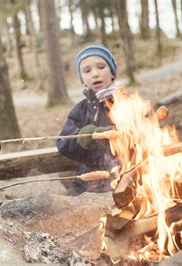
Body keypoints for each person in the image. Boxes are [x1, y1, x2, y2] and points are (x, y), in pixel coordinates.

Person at [56, 44, 120, 196]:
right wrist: (84, 137)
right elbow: (63, 143)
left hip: (125, 175)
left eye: (101, 67)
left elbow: (143, 134)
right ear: (83, 81)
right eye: (87, 70)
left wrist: (115, 135)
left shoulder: (128, 102)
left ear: (112, 73)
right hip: (89, 180)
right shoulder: (81, 109)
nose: (95, 74)